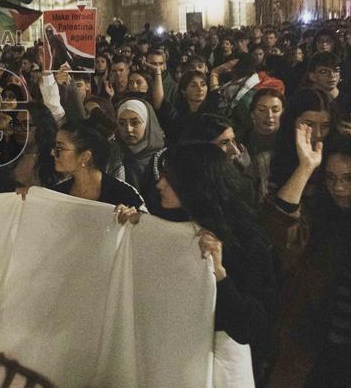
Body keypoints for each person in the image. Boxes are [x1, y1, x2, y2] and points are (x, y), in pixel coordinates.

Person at [117, 143, 278, 364]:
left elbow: (251, 326)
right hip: (168, 353)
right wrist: (136, 227)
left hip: (215, 362)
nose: (160, 184)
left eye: (169, 178)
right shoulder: (172, 219)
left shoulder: (246, 242)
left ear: (194, 185)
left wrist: (220, 274)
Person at [262, 130, 351, 388]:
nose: (339, 187)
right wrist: (305, 168)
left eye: (349, 178)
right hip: (317, 353)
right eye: (330, 178)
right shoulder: (323, 218)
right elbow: (279, 232)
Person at [51, 118, 144, 208]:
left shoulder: (124, 195)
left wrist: (132, 218)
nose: (52, 153)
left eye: (60, 148)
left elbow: (145, 221)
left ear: (85, 156)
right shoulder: (56, 194)